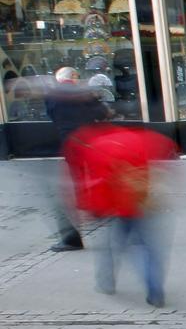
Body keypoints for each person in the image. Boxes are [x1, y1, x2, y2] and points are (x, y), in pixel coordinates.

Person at [62, 123, 178, 308]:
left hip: (119, 208)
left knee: (111, 247)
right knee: (149, 249)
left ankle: (106, 283)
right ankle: (155, 289)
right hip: (143, 203)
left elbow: (96, 184)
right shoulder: (139, 139)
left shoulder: (96, 148)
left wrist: (93, 209)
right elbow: (167, 154)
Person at [46, 66, 109, 252]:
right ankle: (99, 206)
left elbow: (52, 116)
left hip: (70, 140)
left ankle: (85, 205)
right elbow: (101, 113)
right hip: (90, 138)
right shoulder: (85, 92)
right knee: (96, 171)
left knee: (77, 175)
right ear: (74, 77)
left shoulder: (52, 95)